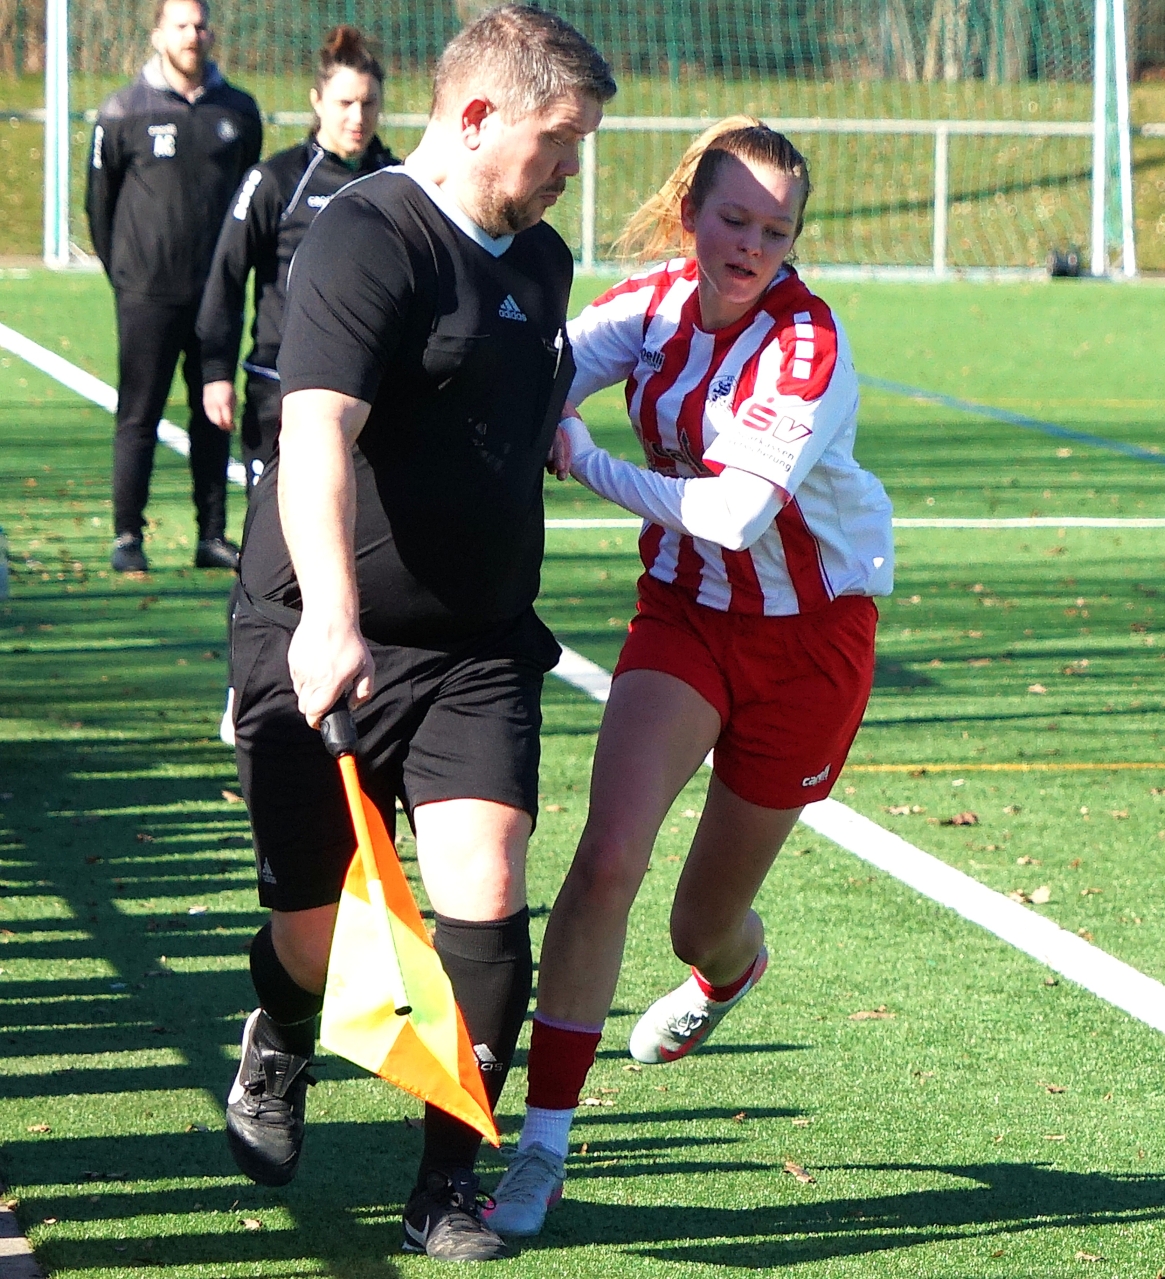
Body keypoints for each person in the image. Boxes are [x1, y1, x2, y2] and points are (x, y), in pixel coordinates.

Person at [219, 6, 613, 1262]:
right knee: (315, 935)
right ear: (479, 114)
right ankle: (282, 1034)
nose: (570, 168)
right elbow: (317, 433)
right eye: (560, 140)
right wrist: (332, 616)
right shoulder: (369, 234)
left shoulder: (541, 260)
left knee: (485, 896)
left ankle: (446, 1183)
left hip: (476, 651)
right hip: (319, 634)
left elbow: (507, 398)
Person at [485, 117, 895, 1238]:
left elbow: (730, 514)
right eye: (734, 219)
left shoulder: (806, 345)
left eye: (777, 230)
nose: (752, 245)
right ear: (689, 215)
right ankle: (543, 1145)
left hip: (810, 642)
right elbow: (531, 372)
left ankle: (728, 972)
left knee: (699, 924)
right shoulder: (653, 306)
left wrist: (586, 459)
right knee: (607, 854)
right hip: (684, 618)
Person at [86, 0, 260, 575]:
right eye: (181, 25)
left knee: (214, 414)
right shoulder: (123, 110)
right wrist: (126, 275)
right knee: (139, 414)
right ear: (159, 34)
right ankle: (127, 536)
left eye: (200, 25)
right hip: (147, 295)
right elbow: (99, 204)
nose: (193, 34)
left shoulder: (238, 110)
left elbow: (249, 202)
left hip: (217, 295)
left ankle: (211, 536)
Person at [198, 25, 398, 495]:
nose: (358, 116)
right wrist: (216, 373)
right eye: (345, 103)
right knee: (272, 525)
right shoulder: (276, 180)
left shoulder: (396, 182)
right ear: (317, 101)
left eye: (368, 103)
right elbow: (227, 275)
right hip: (280, 387)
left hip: (371, 394)